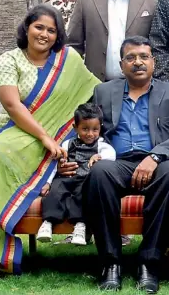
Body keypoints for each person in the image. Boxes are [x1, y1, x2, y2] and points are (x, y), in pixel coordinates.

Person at [0, 4, 100, 274]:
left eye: (51, 30)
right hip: (17, 130)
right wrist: (43, 136)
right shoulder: (10, 59)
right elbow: (13, 105)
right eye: (38, 27)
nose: (44, 34)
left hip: (58, 139)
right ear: (27, 28)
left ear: (58, 35)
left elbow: (91, 89)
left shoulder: (69, 60)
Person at [59, 36, 169, 293]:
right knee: (99, 172)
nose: (138, 62)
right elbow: (88, 130)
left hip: (160, 160)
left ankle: (149, 263)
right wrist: (79, 155)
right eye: (130, 58)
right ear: (121, 65)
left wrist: (154, 157)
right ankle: (110, 262)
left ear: (154, 62)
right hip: (117, 161)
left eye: (144, 57)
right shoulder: (104, 92)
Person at [36, 103, 116, 245]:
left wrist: (99, 158)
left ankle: (80, 226)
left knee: (82, 195)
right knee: (55, 191)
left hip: (85, 180)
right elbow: (56, 165)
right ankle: (48, 222)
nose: (90, 134)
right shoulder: (67, 144)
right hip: (67, 178)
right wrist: (48, 182)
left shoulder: (103, 146)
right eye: (85, 129)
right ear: (75, 128)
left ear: (100, 128)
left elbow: (111, 156)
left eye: (95, 129)